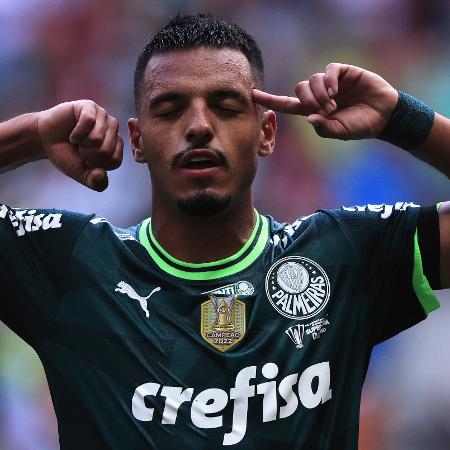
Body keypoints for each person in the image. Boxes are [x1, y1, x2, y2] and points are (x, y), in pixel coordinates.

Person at [0, 12, 448, 450]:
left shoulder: (341, 255)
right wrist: (33, 135)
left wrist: (401, 118)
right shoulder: (74, 264)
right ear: (137, 140)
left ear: (267, 133)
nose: (198, 126)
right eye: (170, 109)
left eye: (227, 107)